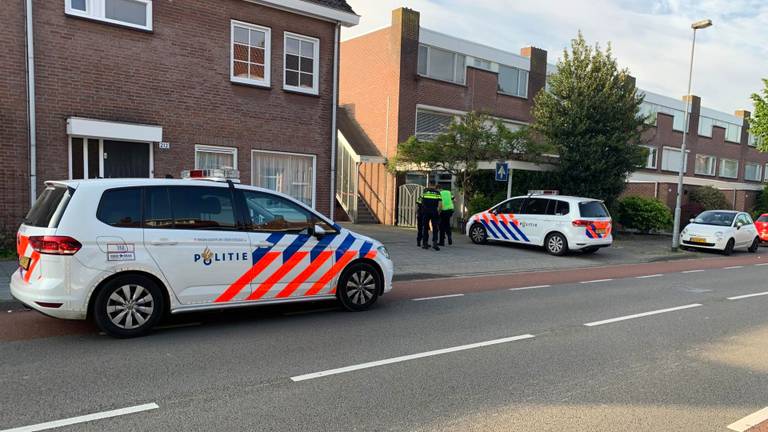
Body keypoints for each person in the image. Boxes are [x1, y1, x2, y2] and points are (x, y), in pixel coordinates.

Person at [420, 186, 442, 251]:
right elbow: (440, 204)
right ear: (434, 186)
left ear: (429, 185)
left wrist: (422, 210)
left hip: (426, 211)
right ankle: (435, 243)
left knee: (425, 227)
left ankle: (425, 244)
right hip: (434, 211)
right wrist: (439, 211)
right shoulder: (437, 192)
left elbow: (421, 201)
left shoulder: (425, 192)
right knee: (435, 227)